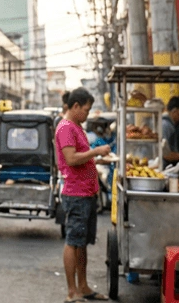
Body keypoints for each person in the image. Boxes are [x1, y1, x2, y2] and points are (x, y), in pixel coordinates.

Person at [56, 88, 111, 302]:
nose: (88, 114)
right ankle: (72, 291)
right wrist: (95, 152)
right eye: (86, 110)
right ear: (76, 106)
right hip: (76, 193)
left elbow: (80, 157)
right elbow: (70, 158)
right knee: (73, 241)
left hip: (86, 191)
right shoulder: (66, 127)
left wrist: (94, 160)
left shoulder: (77, 127)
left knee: (82, 242)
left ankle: (84, 286)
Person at [161, 96, 179, 167]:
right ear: (175, 111)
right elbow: (166, 154)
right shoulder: (166, 125)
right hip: (165, 166)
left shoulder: (169, 124)